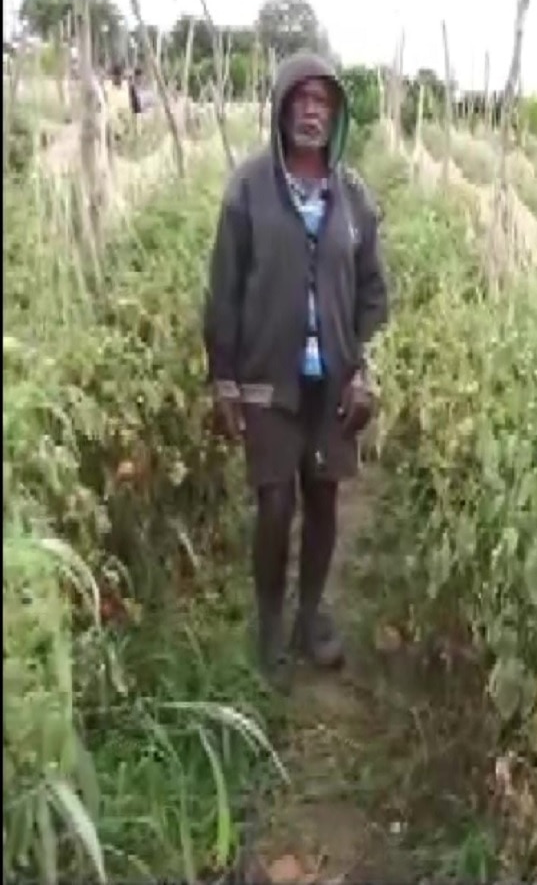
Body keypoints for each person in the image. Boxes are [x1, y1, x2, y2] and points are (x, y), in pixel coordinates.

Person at [202, 52, 390, 689]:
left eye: (324, 102)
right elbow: (224, 289)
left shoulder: (353, 197)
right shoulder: (249, 189)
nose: (312, 110)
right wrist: (223, 378)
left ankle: (311, 618)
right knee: (275, 503)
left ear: (335, 116)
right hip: (266, 378)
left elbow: (371, 291)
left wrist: (360, 368)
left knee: (324, 497)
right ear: (282, 108)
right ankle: (269, 623)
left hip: (332, 381)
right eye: (301, 99)